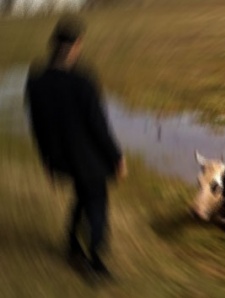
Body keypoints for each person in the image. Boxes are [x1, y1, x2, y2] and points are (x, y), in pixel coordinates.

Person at [25, 15, 127, 280]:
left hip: (61, 159)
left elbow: (37, 127)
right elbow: (98, 125)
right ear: (77, 44)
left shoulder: (36, 80)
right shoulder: (83, 80)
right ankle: (95, 261)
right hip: (89, 159)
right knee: (96, 203)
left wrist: (46, 159)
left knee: (83, 196)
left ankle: (71, 245)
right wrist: (117, 157)